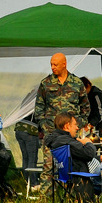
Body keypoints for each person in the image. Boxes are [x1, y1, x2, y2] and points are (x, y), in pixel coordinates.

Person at [33, 53, 90, 189]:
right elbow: (39, 109)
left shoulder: (76, 83)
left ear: (64, 64)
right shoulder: (46, 83)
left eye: (55, 64)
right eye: (51, 64)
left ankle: (73, 199)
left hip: (71, 136)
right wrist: (45, 127)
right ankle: (45, 202)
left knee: (72, 166)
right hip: (52, 135)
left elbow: (85, 108)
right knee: (49, 167)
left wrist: (77, 125)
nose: (52, 67)